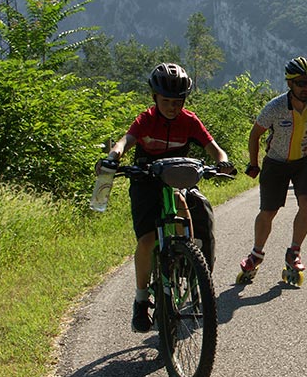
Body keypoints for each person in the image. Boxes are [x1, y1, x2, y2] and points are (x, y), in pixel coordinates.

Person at [98, 62, 234, 333]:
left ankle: (192, 263)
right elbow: (124, 142)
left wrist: (223, 162)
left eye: (178, 101)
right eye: (167, 101)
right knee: (147, 239)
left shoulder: (189, 121)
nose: (173, 106)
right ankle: (140, 300)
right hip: (145, 179)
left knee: (198, 211)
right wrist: (113, 158)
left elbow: (215, 149)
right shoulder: (146, 119)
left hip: (177, 177)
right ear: (155, 98)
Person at [239, 56, 307, 278]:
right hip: (276, 162)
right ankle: (256, 254)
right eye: (300, 82)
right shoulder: (274, 107)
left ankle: (294, 252)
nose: (305, 87)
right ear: (289, 83)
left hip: (305, 159)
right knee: (268, 211)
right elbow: (255, 135)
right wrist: (253, 164)